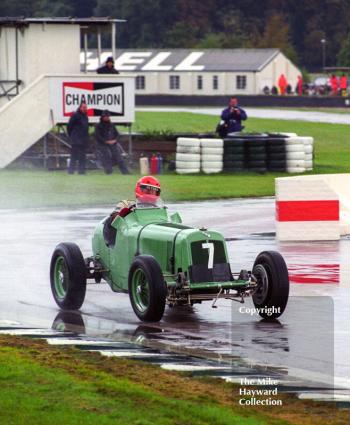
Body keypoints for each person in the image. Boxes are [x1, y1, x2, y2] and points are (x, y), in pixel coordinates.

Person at [103, 176, 161, 246]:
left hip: (150, 233)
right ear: (139, 189)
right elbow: (112, 220)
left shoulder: (160, 209)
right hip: (125, 237)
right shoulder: (126, 204)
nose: (151, 193)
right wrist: (123, 215)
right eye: (147, 190)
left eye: (154, 191)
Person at [95, 110, 129, 175]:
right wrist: (106, 141)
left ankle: (125, 172)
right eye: (105, 116)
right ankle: (109, 172)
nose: (107, 117)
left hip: (113, 143)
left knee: (119, 157)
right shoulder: (98, 126)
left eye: (108, 116)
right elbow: (98, 136)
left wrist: (115, 140)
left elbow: (117, 134)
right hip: (103, 144)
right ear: (102, 117)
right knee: (107, 156)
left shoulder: (111, 125)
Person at [67, 102, 89, 175]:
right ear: (80, 108)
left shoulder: (86, 116)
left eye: (86, 107)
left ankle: (81, 171)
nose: (85, 109)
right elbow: (69, 126)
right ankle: (71, 171)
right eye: (83, 107)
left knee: (82, 156)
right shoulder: (75, 115)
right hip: (76, 140)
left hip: (83, 140)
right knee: (74, 156)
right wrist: (72, 135)